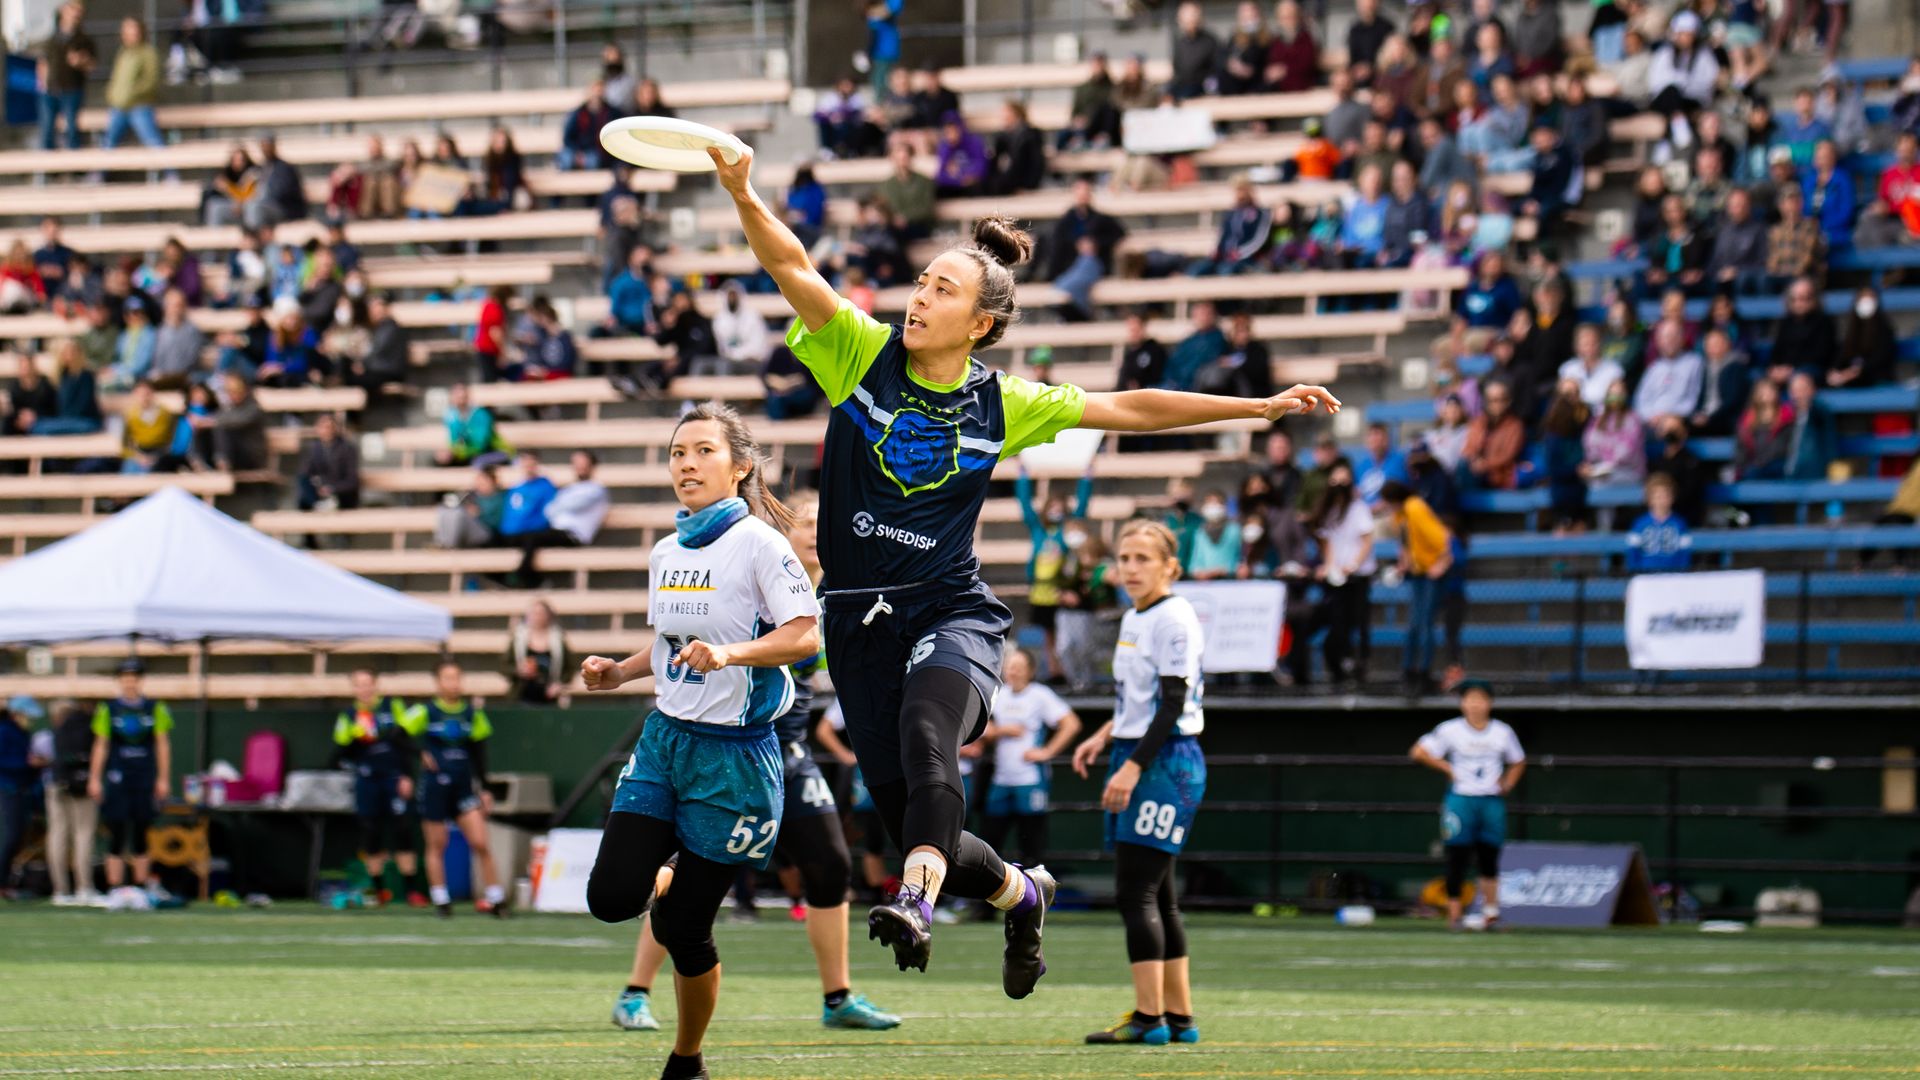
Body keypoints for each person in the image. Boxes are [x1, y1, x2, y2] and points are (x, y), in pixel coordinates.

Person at [709, 138, 1337, 984]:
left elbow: (1130, 406)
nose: (920, 296)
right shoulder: (860, 354)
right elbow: (791, 265)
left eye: (943, 290)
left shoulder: (1006, 401)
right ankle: (1020, 897)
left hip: (949, 609)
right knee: (919, 822)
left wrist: (1255, 405)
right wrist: (745, 194)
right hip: (855, 620)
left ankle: (918, 901)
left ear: (982, 323)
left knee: (931, 739)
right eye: (922, 281)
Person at [579, 405, 825, 1080]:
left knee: (685, 930)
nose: (686, 463)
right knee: (610, 900)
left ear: (740, 466)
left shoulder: (762, 545)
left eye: (702, 451)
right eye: (677, 452)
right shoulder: (666, 550)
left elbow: (806, 634)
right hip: (665, 741)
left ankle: (687, 1060)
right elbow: (666, 644)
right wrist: (618, 672)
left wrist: (732, 654)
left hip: (737, 759)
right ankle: (672, 868)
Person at [612, 488, 901, 1035]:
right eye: (807, 519)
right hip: (730, 752)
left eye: (827, 519)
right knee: (680, 876)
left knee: (831, 865)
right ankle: (635, 991)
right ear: (781, 532)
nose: (818, 529)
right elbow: (685, 642)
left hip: (789, 752)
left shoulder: (840, 593)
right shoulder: (758, 575)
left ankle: (837, 998)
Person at [1069, 519, 1206, 1046]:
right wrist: (1106, 734)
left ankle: (1148, 1018)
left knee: (1136, 892)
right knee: (1160, 894)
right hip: (1142, 749)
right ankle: (1178, 1018)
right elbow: (1139, 698)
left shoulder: (1173, 617)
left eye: (1143, 558)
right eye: (1124, 558)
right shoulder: (1135, 615)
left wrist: (1132, 767)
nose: (1130, 568)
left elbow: (1173, 705)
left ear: (1171, 566)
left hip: (1165, 761)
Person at [1410, 681, 1525, 930]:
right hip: (1461, 800)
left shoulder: (1502, 732)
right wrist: (1447, 768)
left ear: (1489, 703)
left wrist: (1507, 783)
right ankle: (1455, 915)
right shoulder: (1450, 730)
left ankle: (1491, 913)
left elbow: (1518, 760)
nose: (1475, 705)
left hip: (1490, 800)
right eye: (1470, 699)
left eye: (1480, 699)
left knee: (1489, 858)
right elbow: (1418, 752)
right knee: (1457, 857)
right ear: (1462, 703)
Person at [400, 659, 505, 918]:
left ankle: (496, 898)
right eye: (447, 678)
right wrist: (420, 753)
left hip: (463, 787)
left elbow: (480, 753)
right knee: (437, 844)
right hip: (435, 788)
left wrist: (485, 788)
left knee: (480, 842)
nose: (453, 684)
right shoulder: (426, 712)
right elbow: (398, 735)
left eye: (457, 678)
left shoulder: (471, 713)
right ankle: (441, 898)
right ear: (438, 682)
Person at [332, 669, 427, 907]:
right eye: (359, 685)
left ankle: (411, 890)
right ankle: (378, 890)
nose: (364, 689)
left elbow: (403, 741)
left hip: (393, 778)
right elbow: (340, 754)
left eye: (368, 684)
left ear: (375, 685)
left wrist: (406, 774)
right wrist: (356, 737)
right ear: (353, 688)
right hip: (367, 781)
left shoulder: (391, 706)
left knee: (403, 830)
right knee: (371, 832)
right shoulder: (349, 715)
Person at [88, 659, 171, 896]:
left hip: (144, 776)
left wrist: (163, 778)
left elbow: (162, 744)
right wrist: (94, 778)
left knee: (141, 831)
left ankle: (140, 887)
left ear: (140, 680)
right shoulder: (108, 709)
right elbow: (101, 745)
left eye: (134, 678)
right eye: (125, 678)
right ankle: (115, 888)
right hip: (117, 776)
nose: (129, 683)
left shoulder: (155, 708)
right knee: (117, 831)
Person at [1381, 481, 1455, 695]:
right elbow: (1405, 542)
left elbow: (1441, 537)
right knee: (1414, 624)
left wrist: (1441, 563)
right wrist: (1404, 561)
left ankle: (1424, 671)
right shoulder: (1400, 515)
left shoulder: (1415, 507)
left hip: (1429, 573)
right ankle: (1408, 670)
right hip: (1417, 573)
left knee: (1425, 623)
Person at [1309, 461, 1376, 687]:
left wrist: (1354, 564)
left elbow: (1367, 539)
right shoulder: (1327, 510)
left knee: (1359, 622)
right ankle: (1340, 666)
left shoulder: (1358, 508)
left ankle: (1361, 666)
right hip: (1337, 577)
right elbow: (1326, 542)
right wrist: (1329, 566)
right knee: (1338, 622)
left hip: (1358, 576)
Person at [37, 699, 97, 905]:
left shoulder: (46, 736)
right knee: (83, 834)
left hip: (55, 786)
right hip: (82, 786)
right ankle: (84, 887)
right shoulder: (87, 729)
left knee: (57, 834)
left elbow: (39, 759)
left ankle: (60, 890)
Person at [37, 2, 95, 152]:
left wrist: (81, 61)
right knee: (47, 129)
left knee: (72, 130)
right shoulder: (52, 38)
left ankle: (75, 169)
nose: (75, 14)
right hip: (50, 90)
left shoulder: (84, 40)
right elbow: (43, 62)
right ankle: (49, 171)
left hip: (72, 89)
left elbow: (91, 66)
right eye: (72, 9)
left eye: (78, 11)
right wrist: (43, 84)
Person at [101, 18, 163, 151]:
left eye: (133, 29)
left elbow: (151, 81)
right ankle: (99, 171)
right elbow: (116, 79)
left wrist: (131, 94)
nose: (130, 33)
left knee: (152, 140)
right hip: (120, 105)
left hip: (140, 105)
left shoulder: (148, 53)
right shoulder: (123, 52)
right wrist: (111, 94)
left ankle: (170, 171)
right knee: (108, 142)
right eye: (126, 29)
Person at [296, 413, 360, 522]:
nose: (326, 431)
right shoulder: (314, 448)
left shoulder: (347, 448)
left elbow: (352, 480)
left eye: (329, 427)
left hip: (341, 492)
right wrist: (319, 487)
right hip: (321, 491)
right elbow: (306, 473)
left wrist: (331, 488)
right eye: (323, 427)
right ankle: (317, 508)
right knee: (302, 484)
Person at [1626, 474, 1692, 573]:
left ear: (1672, 497)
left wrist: (1681, 573)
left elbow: (1685, 554)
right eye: (1657, 497)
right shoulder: (1639, 523)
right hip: (1645, 575)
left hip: (1672, 575)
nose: (1661, 501)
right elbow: (1632, 552)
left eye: (1665, 496)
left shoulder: (1680, 523)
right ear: (1649, 499)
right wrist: (1636, 572)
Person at [506, 600, 567, 706]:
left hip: (550, 699)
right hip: (522, 698)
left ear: (549, 616)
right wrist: (518, 670)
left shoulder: (558, 640)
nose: (537, 617)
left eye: (541, 613)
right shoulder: (518, 640)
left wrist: (559, 684)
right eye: (534, 613)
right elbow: (505, 666)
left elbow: (569, 669)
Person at [436, 382, 505, 467]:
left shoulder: (480, 415)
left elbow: (480, 445)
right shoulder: (451, 416)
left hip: (493, 451)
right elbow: (454, 441)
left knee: (477, 464)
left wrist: (456, 452)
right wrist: (448, 452)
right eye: (457, 397)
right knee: (439, 462)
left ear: (467, 397)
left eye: (462, 397)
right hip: (468, 454)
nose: (460, 400)